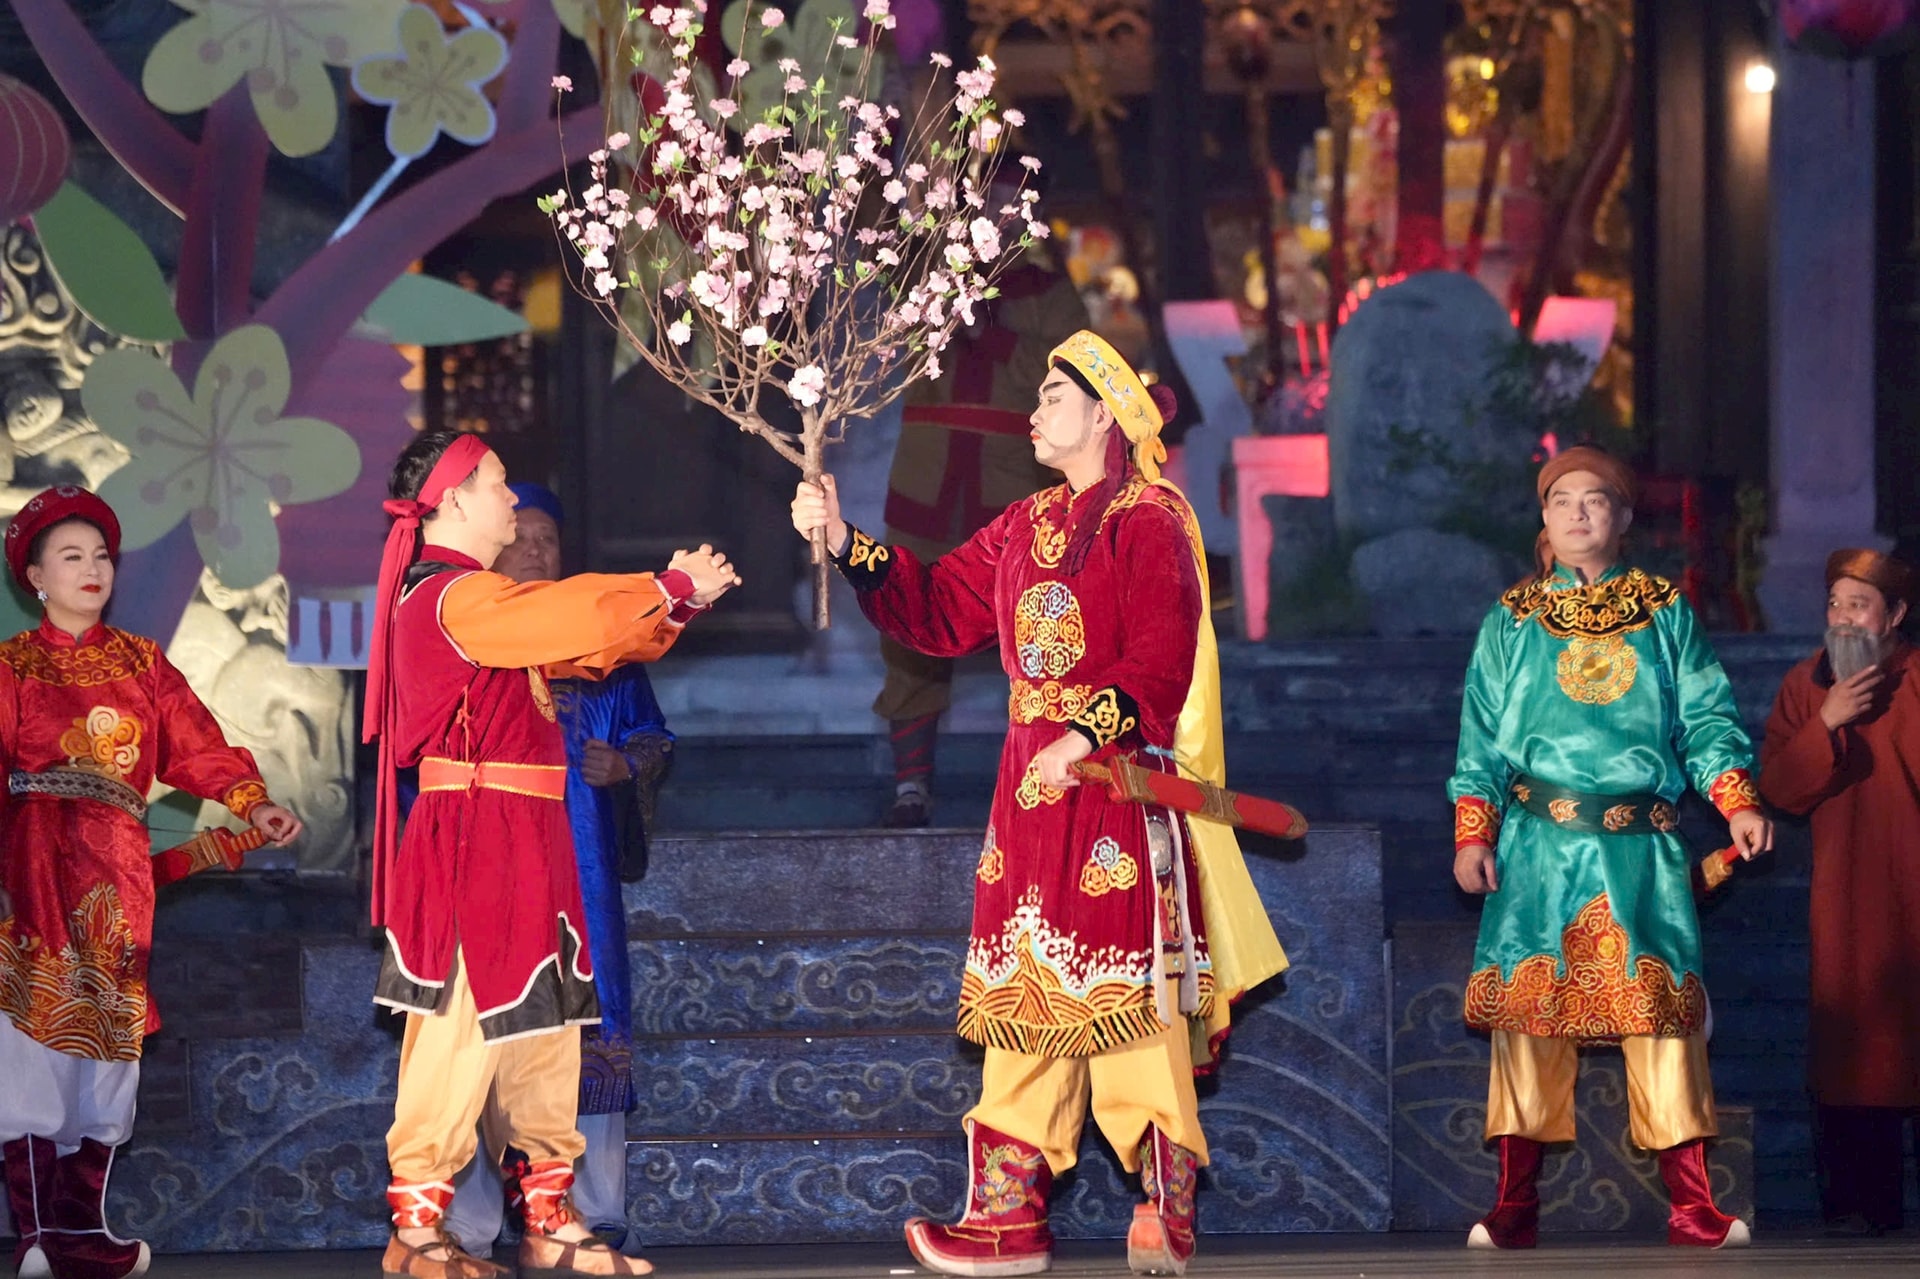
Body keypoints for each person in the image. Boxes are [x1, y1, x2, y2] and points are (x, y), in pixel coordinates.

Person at [790, 331, 1287, 1278]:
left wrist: (1085, 735)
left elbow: (1161, 658)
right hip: (1027, 798)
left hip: (1112, 789)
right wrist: (846, 541)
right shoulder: (1024, 523)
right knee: (1025, 993)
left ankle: (1165, 1202)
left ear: (1105, 413)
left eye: (1054, 393)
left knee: (1123, 994)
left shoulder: (1150, 518)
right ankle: (1006, 1216)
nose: (1034, 408)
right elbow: (938, 609)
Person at [366, 431, 737, 1279]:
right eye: (498, 484)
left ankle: (548, 1217)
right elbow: (567, 616)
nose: (512, 499)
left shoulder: (487, 603)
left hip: (527, 837)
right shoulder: (448, 597)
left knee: (544, 1031)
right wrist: (664, 585)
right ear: (453, 499)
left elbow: (592, 647)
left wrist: (673, 607)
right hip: (474, 838)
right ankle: (417, 1229)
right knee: (458, 1029)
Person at [1448, 445, 1771, 1251]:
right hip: (1538, 845)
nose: (1578, 512)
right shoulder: (1512, 618)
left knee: (1663, 1018)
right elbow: (1480, 737)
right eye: (1562, 500)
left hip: (1640, 845)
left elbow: (1706, 717)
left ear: (1624, 516)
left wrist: (1735, 800)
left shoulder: (1665, 611)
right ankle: (1513, 1203)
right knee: (1527, 1019)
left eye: (1595, 499)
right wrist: (1472, 832)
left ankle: (1694, 1204)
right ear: (1544, 519)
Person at [0, 485, 302, 1279]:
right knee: (31, 1045)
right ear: (35, 575)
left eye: (101, 555)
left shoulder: (142, 663)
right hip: (31, 869)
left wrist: (253, 801)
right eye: (71, 555)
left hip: (118, 877)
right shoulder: (11, 665)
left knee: (108, 1050)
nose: (92, 567)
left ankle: (79, 1231)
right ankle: (37, 1236)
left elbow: (198, 744)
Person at [443, 483, 675, 1258]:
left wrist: (627, 764)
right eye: (523, 536)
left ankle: (594, 1208)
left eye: (550, 538)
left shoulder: (604, 647)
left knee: (592, 1027)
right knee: (483, 1034)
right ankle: (470, 1219)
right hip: (493, 871)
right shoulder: (473, 639)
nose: (538, 549)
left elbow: (655, 738)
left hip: (583, 874)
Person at [873, 166, 1089, 826]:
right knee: (909, 622)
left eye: (1007, 202)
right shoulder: (926, 276)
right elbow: (890, 314)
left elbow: (1073, 379)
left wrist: (990, 333)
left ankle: (1044, 784)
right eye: (983, 199)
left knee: (1034, 636)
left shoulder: (1051, 295)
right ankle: (911, 785)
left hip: (1013, 490)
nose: (994, 212)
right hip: (927, 484)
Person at [1759, 548, 1920, 1234]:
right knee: (1854, 1049)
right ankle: (1857, 1209)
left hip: (1913, 886)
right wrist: (1827, 720)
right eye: (1834, 604)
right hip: (1847, 899)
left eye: (1859, 604)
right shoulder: (1807, 683)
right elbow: (1779, 789)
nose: (1843, 617)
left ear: (1896, 614)